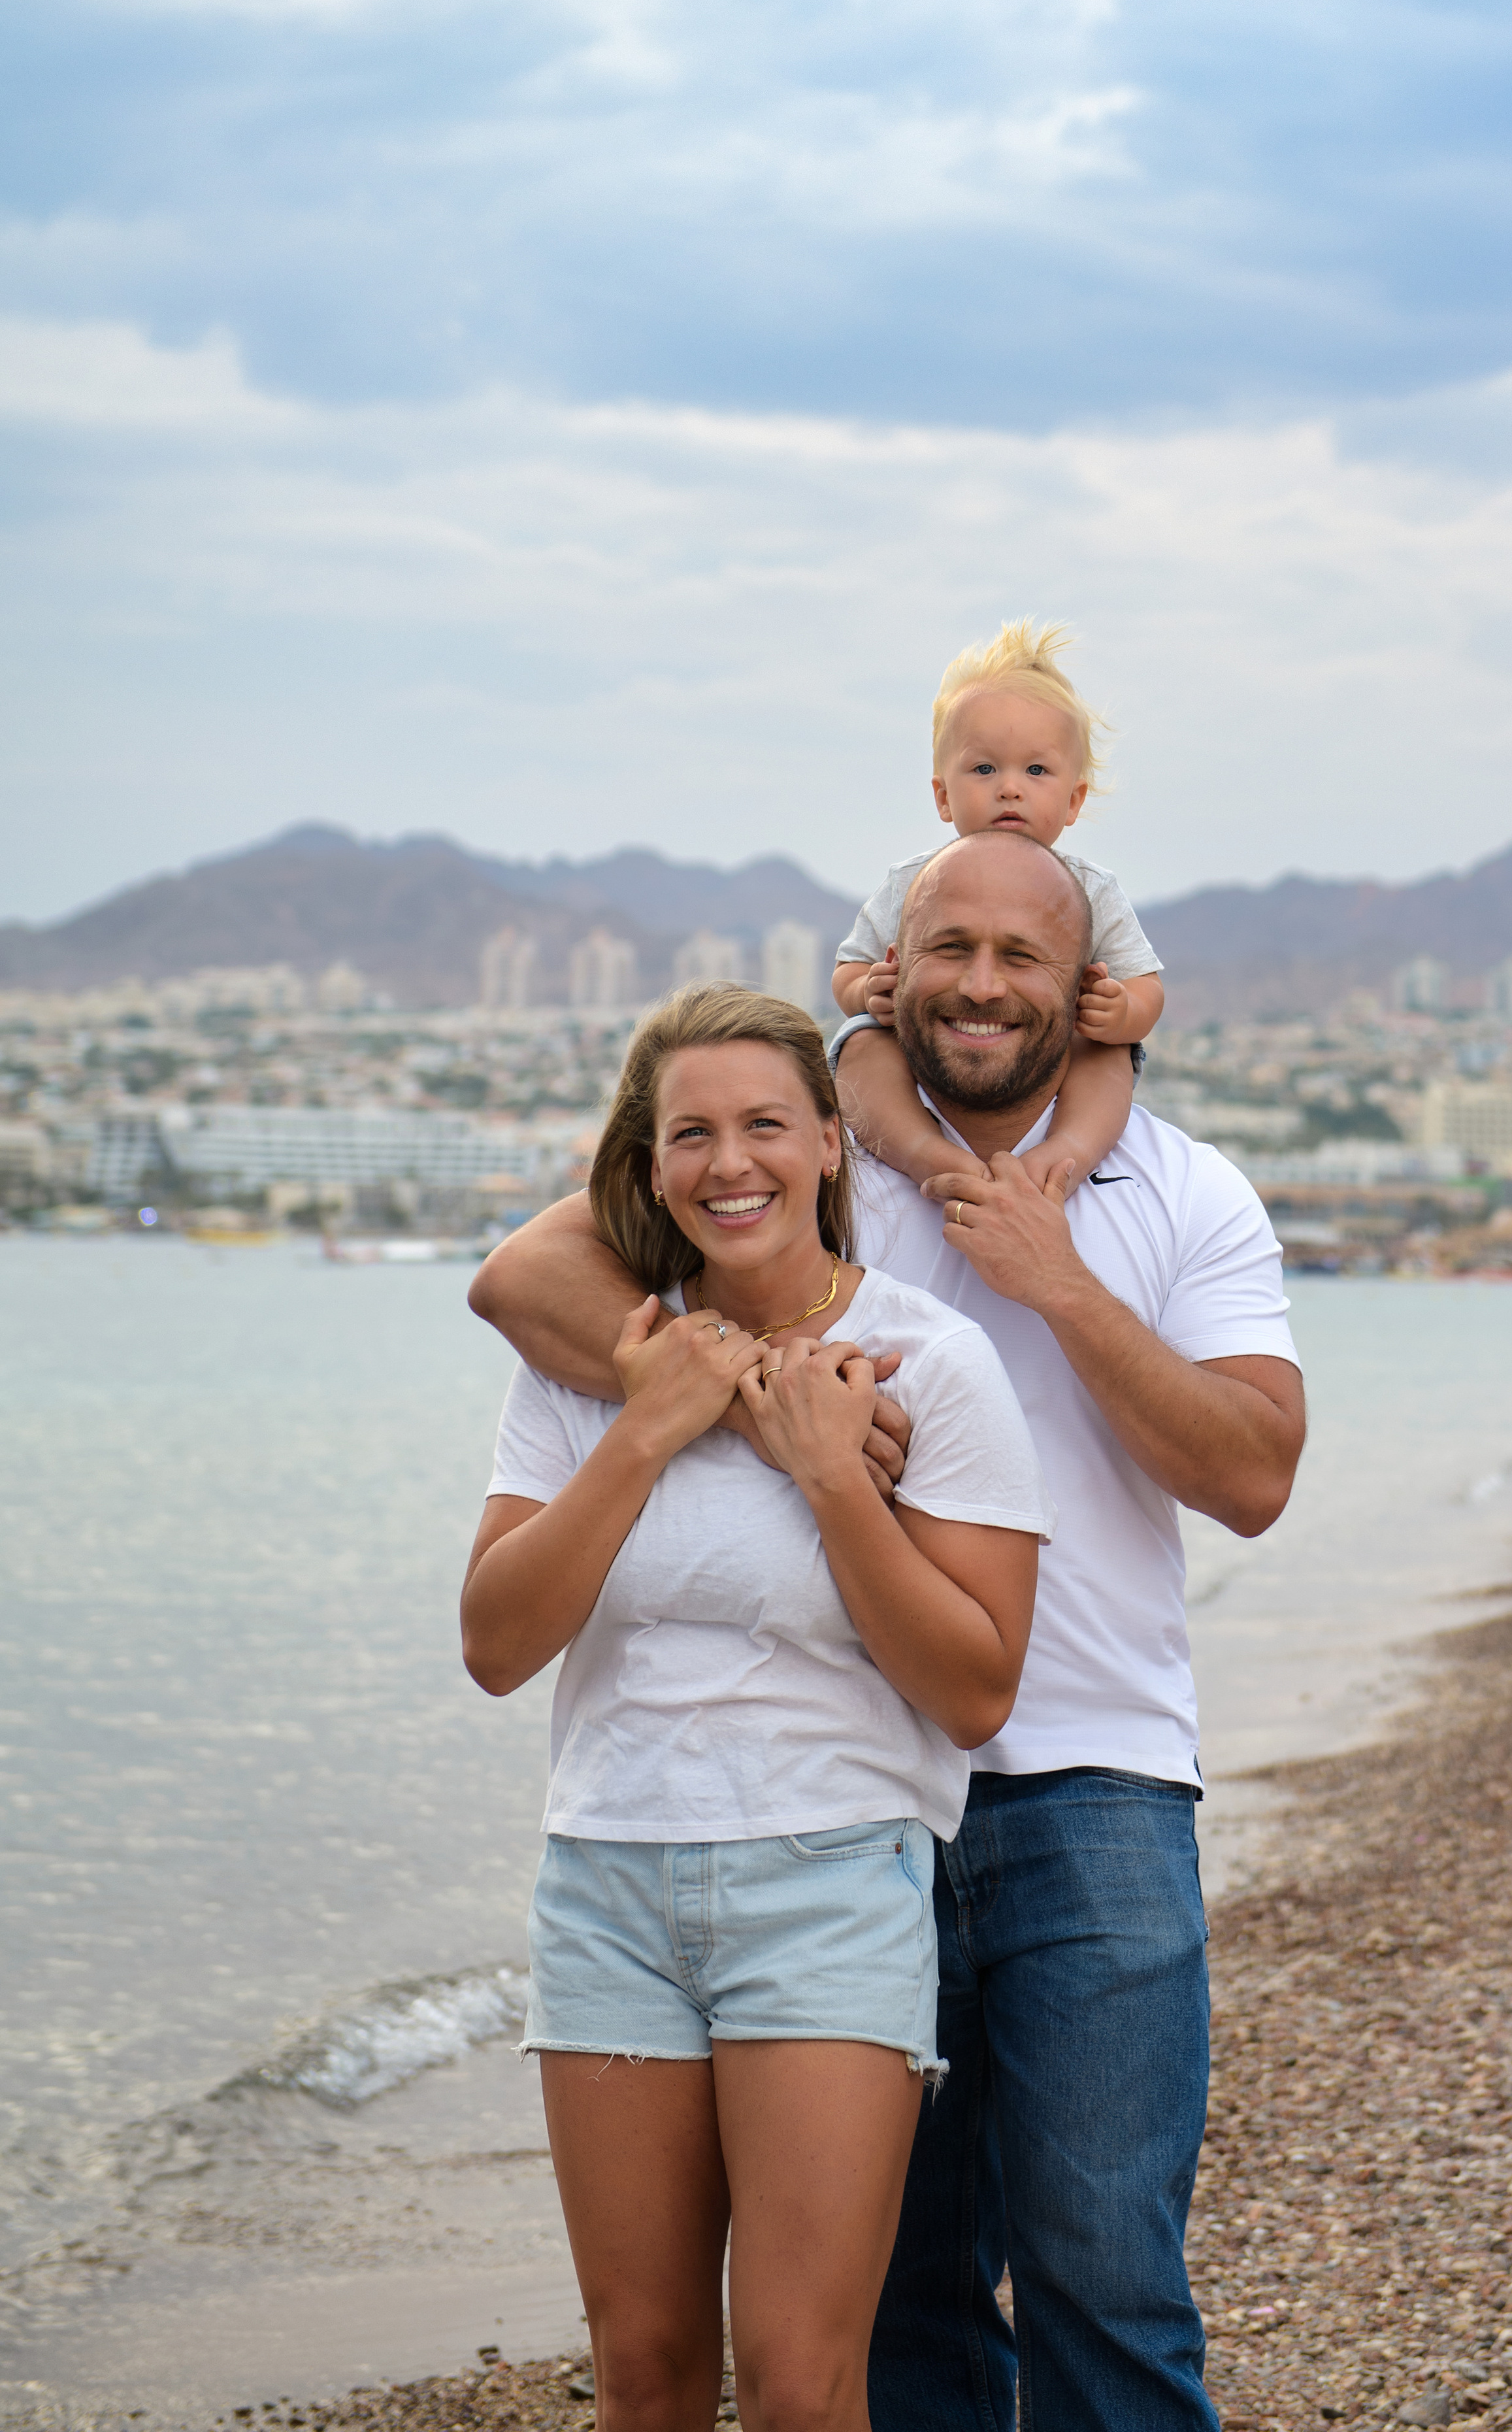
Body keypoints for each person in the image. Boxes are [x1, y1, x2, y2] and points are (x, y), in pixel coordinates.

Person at [468, 833, 1306, 2432]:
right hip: (844, 1798)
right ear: (884, 974)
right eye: (947, 949)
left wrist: (1053, 1282)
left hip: (1086, 1778)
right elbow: (520, 1276)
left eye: (1018, 956)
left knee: (1103, 2269)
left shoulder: (1180, 1193)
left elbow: (1253, 1475)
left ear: (1091, 997)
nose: (981, 983)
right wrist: (721, 1401)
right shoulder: (799, 1162)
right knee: (893, 2302)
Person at [460, 982, 1055, 2432]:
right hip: (606, 1879)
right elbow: (493, 1641)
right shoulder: (594, 1368)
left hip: (829, 1881)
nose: (730, 1165)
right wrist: (648, 1426)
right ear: (649, 1163)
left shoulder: (935, 1365)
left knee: (799, 2383)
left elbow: (975, 1691)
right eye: (692, 1135)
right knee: (645, 2376)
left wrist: (833, 1472)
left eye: (765, 1127)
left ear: (832, 1147)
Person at [830, 617, 1165, 1201]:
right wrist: (868, 993)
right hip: (924, 1052)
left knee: (1106, 1056)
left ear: (1073, 801)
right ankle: (925, 1154)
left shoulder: (1092, 890)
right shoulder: (914, 883)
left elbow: (1147, 987)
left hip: (1050, 1051)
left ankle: (1064, 1158)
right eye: (985, 769)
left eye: (1035, 771)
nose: (1010, 788)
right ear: (942, 795)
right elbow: (849, 970)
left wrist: (1123, 1013)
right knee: (862, 1044)